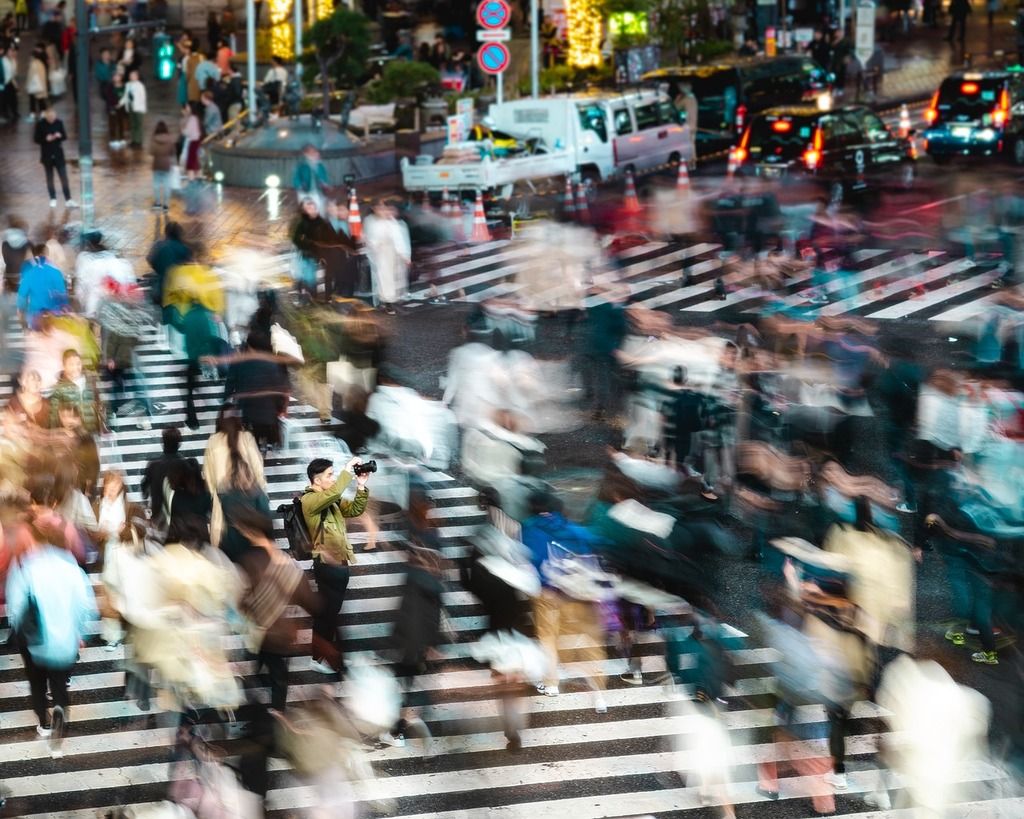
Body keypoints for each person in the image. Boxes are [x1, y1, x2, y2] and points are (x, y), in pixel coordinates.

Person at [6, 511, 97, 756]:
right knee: (59, 682)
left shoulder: (26, 566)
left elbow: (15, 606)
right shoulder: (73, 570)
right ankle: (59, 707)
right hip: (64, 641)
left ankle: (44, 723)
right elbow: (85, 607)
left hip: (35, 641)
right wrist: (80, 633)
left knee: (36, 681)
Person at [300, 456, 371, 675]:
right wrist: (347, 472)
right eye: (330, 475)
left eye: (333, 474)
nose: (333, 478)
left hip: (339, 562)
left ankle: (323, 655)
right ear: (317, 480)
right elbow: (334, 493)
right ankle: (318, 657)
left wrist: (360, 486)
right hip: (327, 566)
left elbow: (354, 510)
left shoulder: (330, 498)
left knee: (329, 613)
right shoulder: (309, 501)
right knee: (327, 614)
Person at [362, 200, 411, 315]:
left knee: (390, 279)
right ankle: (384, 303)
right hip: (380, 254)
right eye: (380, 208)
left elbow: (398, 238)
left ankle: (388, 302)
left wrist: (404, 255)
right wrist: (374, 244)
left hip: (391, 253)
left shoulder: (390, 222)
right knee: (382, 278)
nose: (383, 211)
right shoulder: (370, 221)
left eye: (384, 208)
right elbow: (370, 238)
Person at [50, 349, 104, 434]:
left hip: (93, 432)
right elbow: (54, 416)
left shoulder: (92, 380)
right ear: (64, 366)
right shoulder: (59, 388)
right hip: (73, 434)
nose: (76, 367)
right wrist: (60, 432)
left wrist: (106, 425)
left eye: (78, 363)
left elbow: (103, 403)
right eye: (71, 364)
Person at [17, 244, 69, 329]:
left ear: (34, 255)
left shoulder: (29, 272)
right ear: (46, 254)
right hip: (53, 317)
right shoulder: (56, 272)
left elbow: (21, 298)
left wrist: (22, 319)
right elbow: (63, 297)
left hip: (35, 317)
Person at [140, 427, 184, 527]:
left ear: (163, 443)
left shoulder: (153, 465)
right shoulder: (185, 465)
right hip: (180, 515)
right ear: (179, 444)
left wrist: (146, 503)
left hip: (158, 514)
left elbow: (144, 488)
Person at [146, 221, 192, 305]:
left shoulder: (159, 245)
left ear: (166, 232)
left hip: (161, 290)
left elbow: (149, 259)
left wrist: (159, 269)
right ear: (180, 233)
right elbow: (189, 267)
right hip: (179, 289)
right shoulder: (184, 248)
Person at [149, 120, 175, 210]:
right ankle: (166, 204)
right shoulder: (170, 139)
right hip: (166, 165)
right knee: (167, 184)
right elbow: (172, 152)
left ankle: (157, 203)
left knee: (156, 184)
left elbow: (151, 152)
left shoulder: (154, 139)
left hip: (156, 164)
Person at [119, 68, 147, 148]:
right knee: (133, 124)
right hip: (131, 106)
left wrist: (140, 106)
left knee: (138, 124)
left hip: (138, 107)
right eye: (131, 76)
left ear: (137, 77)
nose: (132, 77)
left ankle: (139, 141)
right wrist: (120, 103)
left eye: (134, 76)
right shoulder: (128, 85)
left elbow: (142, 97)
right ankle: (134, 140)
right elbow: (126, 96)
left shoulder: (140, 86)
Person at [181, 101, 203, 180]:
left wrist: (182, 130)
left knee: (190, 164)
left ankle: (191, 182)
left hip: (193, 141)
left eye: (187, 107)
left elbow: (187, 132)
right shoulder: (196, 117)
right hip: (197, 141)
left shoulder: (192, 118)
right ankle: (199, 179)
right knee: (196, 162)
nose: (186, 108)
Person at [25, 44, 47, 120]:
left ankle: (33, 114)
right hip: (41, 86)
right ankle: (43, 113)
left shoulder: (33, 64)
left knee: (33, 101)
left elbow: (30, 76)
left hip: (34, 86)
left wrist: (27, 85)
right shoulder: (41, 64)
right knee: (41, 100)